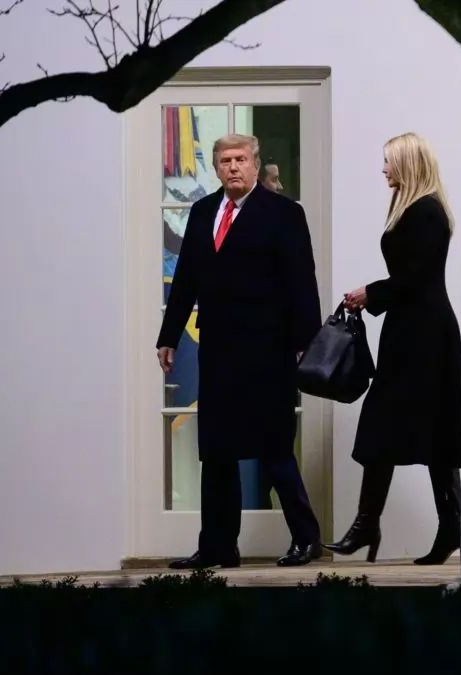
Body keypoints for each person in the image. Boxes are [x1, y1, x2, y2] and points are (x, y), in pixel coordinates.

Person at [157, 133, 323, 568]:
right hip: (218, 351)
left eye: (241, 159)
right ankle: (218, 546)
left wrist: (306, 343)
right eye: (226, 160)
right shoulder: (202, 212)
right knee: (216, 451)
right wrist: (168, 336)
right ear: (216, 168)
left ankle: (307, 540)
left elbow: (302, 281)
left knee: (275, 448)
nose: (233, 167)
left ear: (255, 164)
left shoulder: (284, 213)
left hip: (268, 350)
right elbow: (185, 281)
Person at [325, 132, 461, 565]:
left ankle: (419, 525)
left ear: (407, 163)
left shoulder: (426, 212)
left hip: (426, 335)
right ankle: (374, 524)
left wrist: (372, 292)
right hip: (410, 331)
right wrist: (376, 294)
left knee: (429, 432)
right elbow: (412, 277)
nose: (383, 168)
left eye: (388, 161)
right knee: (398, 428)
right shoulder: (414, 208)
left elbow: (417, 277)